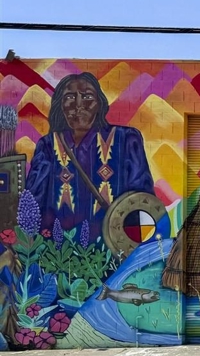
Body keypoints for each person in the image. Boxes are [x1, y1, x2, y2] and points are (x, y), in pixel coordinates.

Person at [25, 73, 154, 245]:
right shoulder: (48, 146)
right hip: (57, 253)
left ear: (99, 103)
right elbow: (33, 203)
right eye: (69, 97)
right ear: (60, 105)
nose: (78, 104)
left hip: (113, 251)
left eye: (87, 97)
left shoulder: (126, 140)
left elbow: (144, 203)